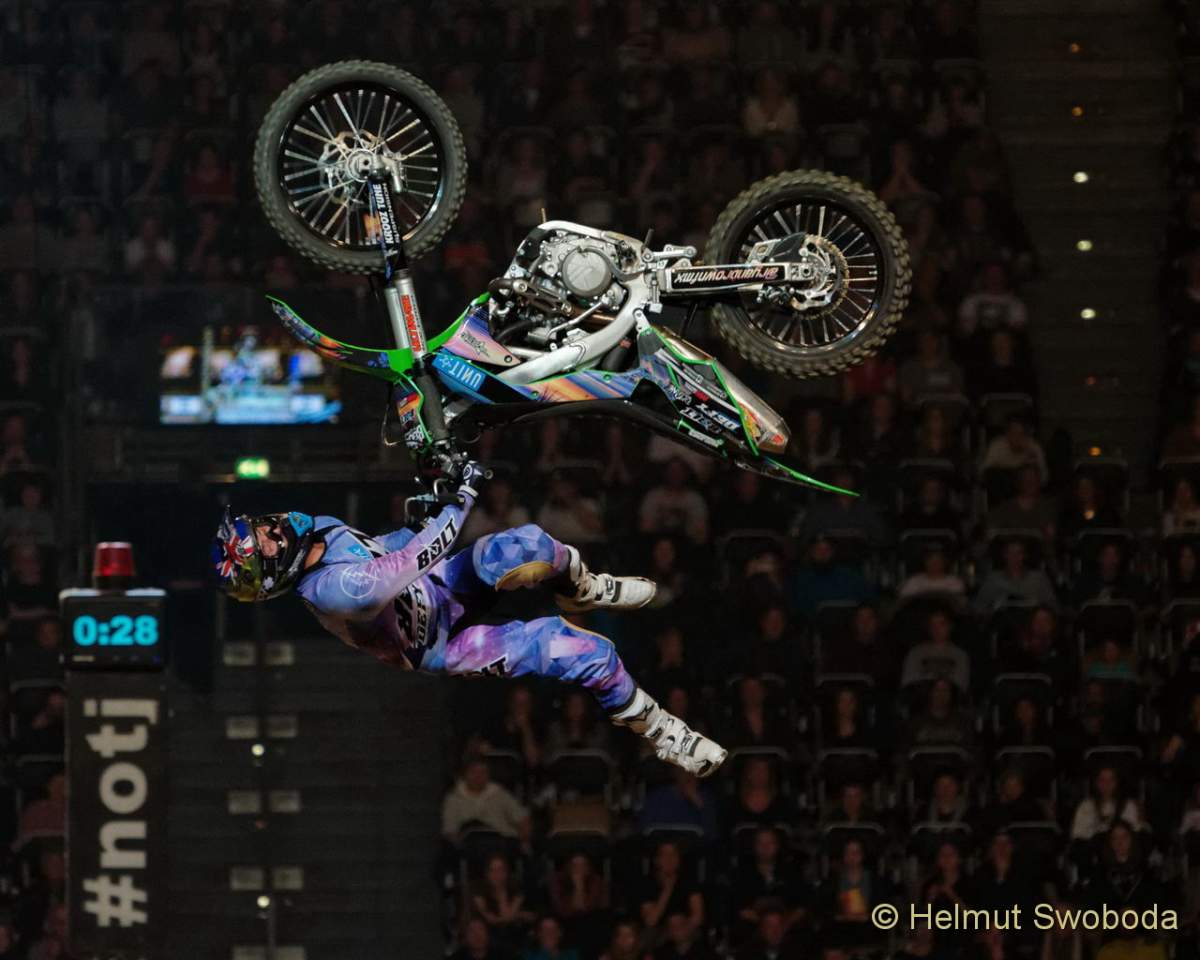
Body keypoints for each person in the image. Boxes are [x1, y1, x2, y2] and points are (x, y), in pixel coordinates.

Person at [211, 464, 727, 776]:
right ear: (274, 573)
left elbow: (384, 547)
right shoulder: (329, 591)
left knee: (528, 543)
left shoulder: (317, 529)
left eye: (260, 528)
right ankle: (663, 733)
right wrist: (460, 499)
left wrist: (421, 512)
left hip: (438, 586)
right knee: (579, 650)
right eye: (265, 543)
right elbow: (405, 563)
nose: (272, 530)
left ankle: (584, 588)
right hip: (442, 641)